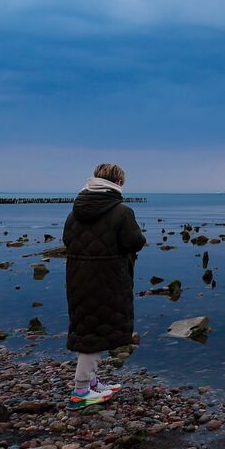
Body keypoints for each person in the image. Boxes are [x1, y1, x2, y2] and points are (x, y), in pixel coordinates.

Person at [62, 163, 146, 408]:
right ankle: (80, 391)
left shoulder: (75, 210)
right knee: (95, 331)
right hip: (108, 276)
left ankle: (92, 382)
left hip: (78, 274)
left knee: (87, 324)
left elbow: (68, 240)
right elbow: (134, 241)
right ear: (118, 183)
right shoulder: (122, 211)